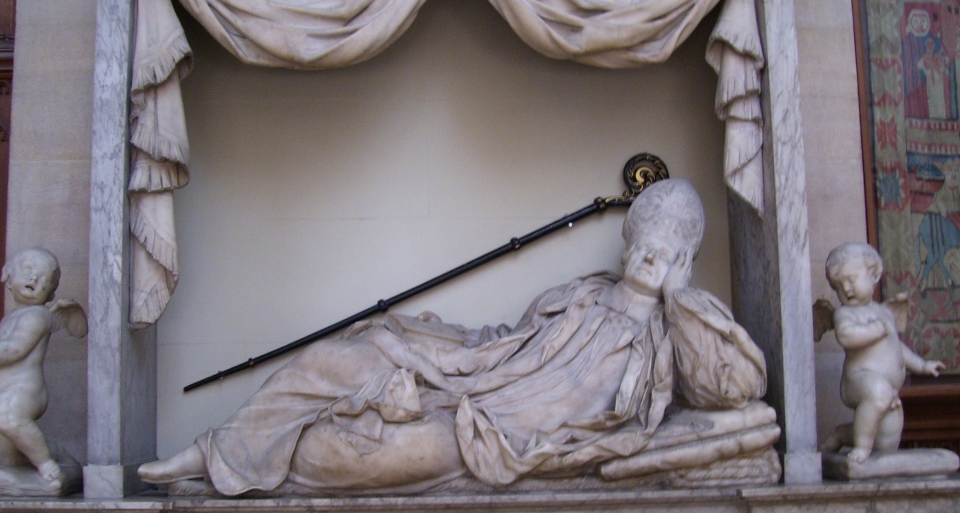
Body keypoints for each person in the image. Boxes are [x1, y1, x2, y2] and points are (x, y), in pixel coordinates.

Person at [139, 179, 770, 495]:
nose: (649, 259)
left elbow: (737, 386)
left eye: (668, 251)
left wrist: (680, 295)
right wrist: (439, 345)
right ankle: (212, 449)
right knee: (344, 353)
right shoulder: (579, 292)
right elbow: (511, 339)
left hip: (496, 435)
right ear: (628, 237)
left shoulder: (674, 329)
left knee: (341, 455)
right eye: (645, 241)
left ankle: (244, 468)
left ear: (684, 257)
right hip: (475, 374)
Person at [0, 247, 87, 490]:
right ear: (6, 275)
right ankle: (53, 458)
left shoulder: (37, 316)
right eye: (28, 270)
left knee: (8, 417)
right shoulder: (14, 316)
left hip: (24, 391)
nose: (34, 279)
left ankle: (47, 465)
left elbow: (14, 349)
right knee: (8, 457)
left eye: (43, 279)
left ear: (50, 292)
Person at [823, 242, 943, 462]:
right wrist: (874, 330)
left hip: (889, 391)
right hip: (858, 381)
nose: (846, 290)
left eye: (851, 280)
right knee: (879, 393)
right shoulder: (845, 314)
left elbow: (897, 349)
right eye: (839, 286)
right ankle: (861, 447)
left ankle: (842, 435)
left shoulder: (883, 312)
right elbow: (846, 337)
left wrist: (922, 366)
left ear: (874, 275)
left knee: (886, 439)